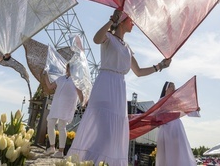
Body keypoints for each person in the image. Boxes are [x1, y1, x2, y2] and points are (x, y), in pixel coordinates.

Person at [67, 9, 171, 165]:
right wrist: (111, 20)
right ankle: (86, 161)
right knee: (105, 133)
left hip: (119, 89)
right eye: (131, 20)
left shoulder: (128, 48)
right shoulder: (108, 37)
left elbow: (139, 72)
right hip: (105, 84)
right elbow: (96, 39)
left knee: (112, 135)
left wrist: (160, 66)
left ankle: (94, 162)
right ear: (122, 21)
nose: (133, 23)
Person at [43, 63, 83, 158]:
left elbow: (80, 94)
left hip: (67, 105)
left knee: (62, 125)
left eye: (71, 68)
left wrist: (83, 103)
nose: (69, 69)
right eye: (68, 67)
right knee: (50, 123)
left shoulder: (76, 80)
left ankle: (60, 151)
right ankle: (52, 147)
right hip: (56, 104)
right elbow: (49, 86)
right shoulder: (60, 78)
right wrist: (45, 75)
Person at [155, 81, 197, 166]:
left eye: (174, 86)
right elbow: (155, 114)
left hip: (176, 127)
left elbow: (187, 108)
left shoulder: (177, 100)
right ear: (166, 89)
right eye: (171, 86)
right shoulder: (161, 101)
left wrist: (195, 109)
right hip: (165, 128)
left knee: (178, 150)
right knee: (166, 151)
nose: (173, 88)